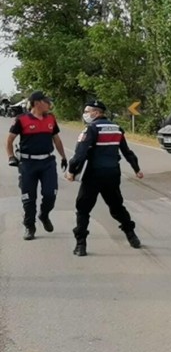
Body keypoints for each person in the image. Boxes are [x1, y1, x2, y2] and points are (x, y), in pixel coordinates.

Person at [64, 100, 144, 256]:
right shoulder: (117, 128)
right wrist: (136, 169)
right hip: (112, 174)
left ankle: (81, 245)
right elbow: (127, 152)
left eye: (88, 111)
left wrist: (71, 171)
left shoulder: (91, 129)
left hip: (93, 175)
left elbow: (80, 154)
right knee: (117, 207)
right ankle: (132, 236)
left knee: (83, 209)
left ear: (96, 112)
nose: (86, 114)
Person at [6, 91, 68, 240]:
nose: (49, 104)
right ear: (37, 103)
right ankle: (29, 226)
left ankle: (44, 215)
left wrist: (64, 157)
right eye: (47, 101)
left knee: (50, 194)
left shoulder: (51, 119)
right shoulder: (21, 120)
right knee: (29, 198)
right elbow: (9, 141)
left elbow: (57, 140)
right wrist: (11, 157)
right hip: (28, 164)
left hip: (47, 162)